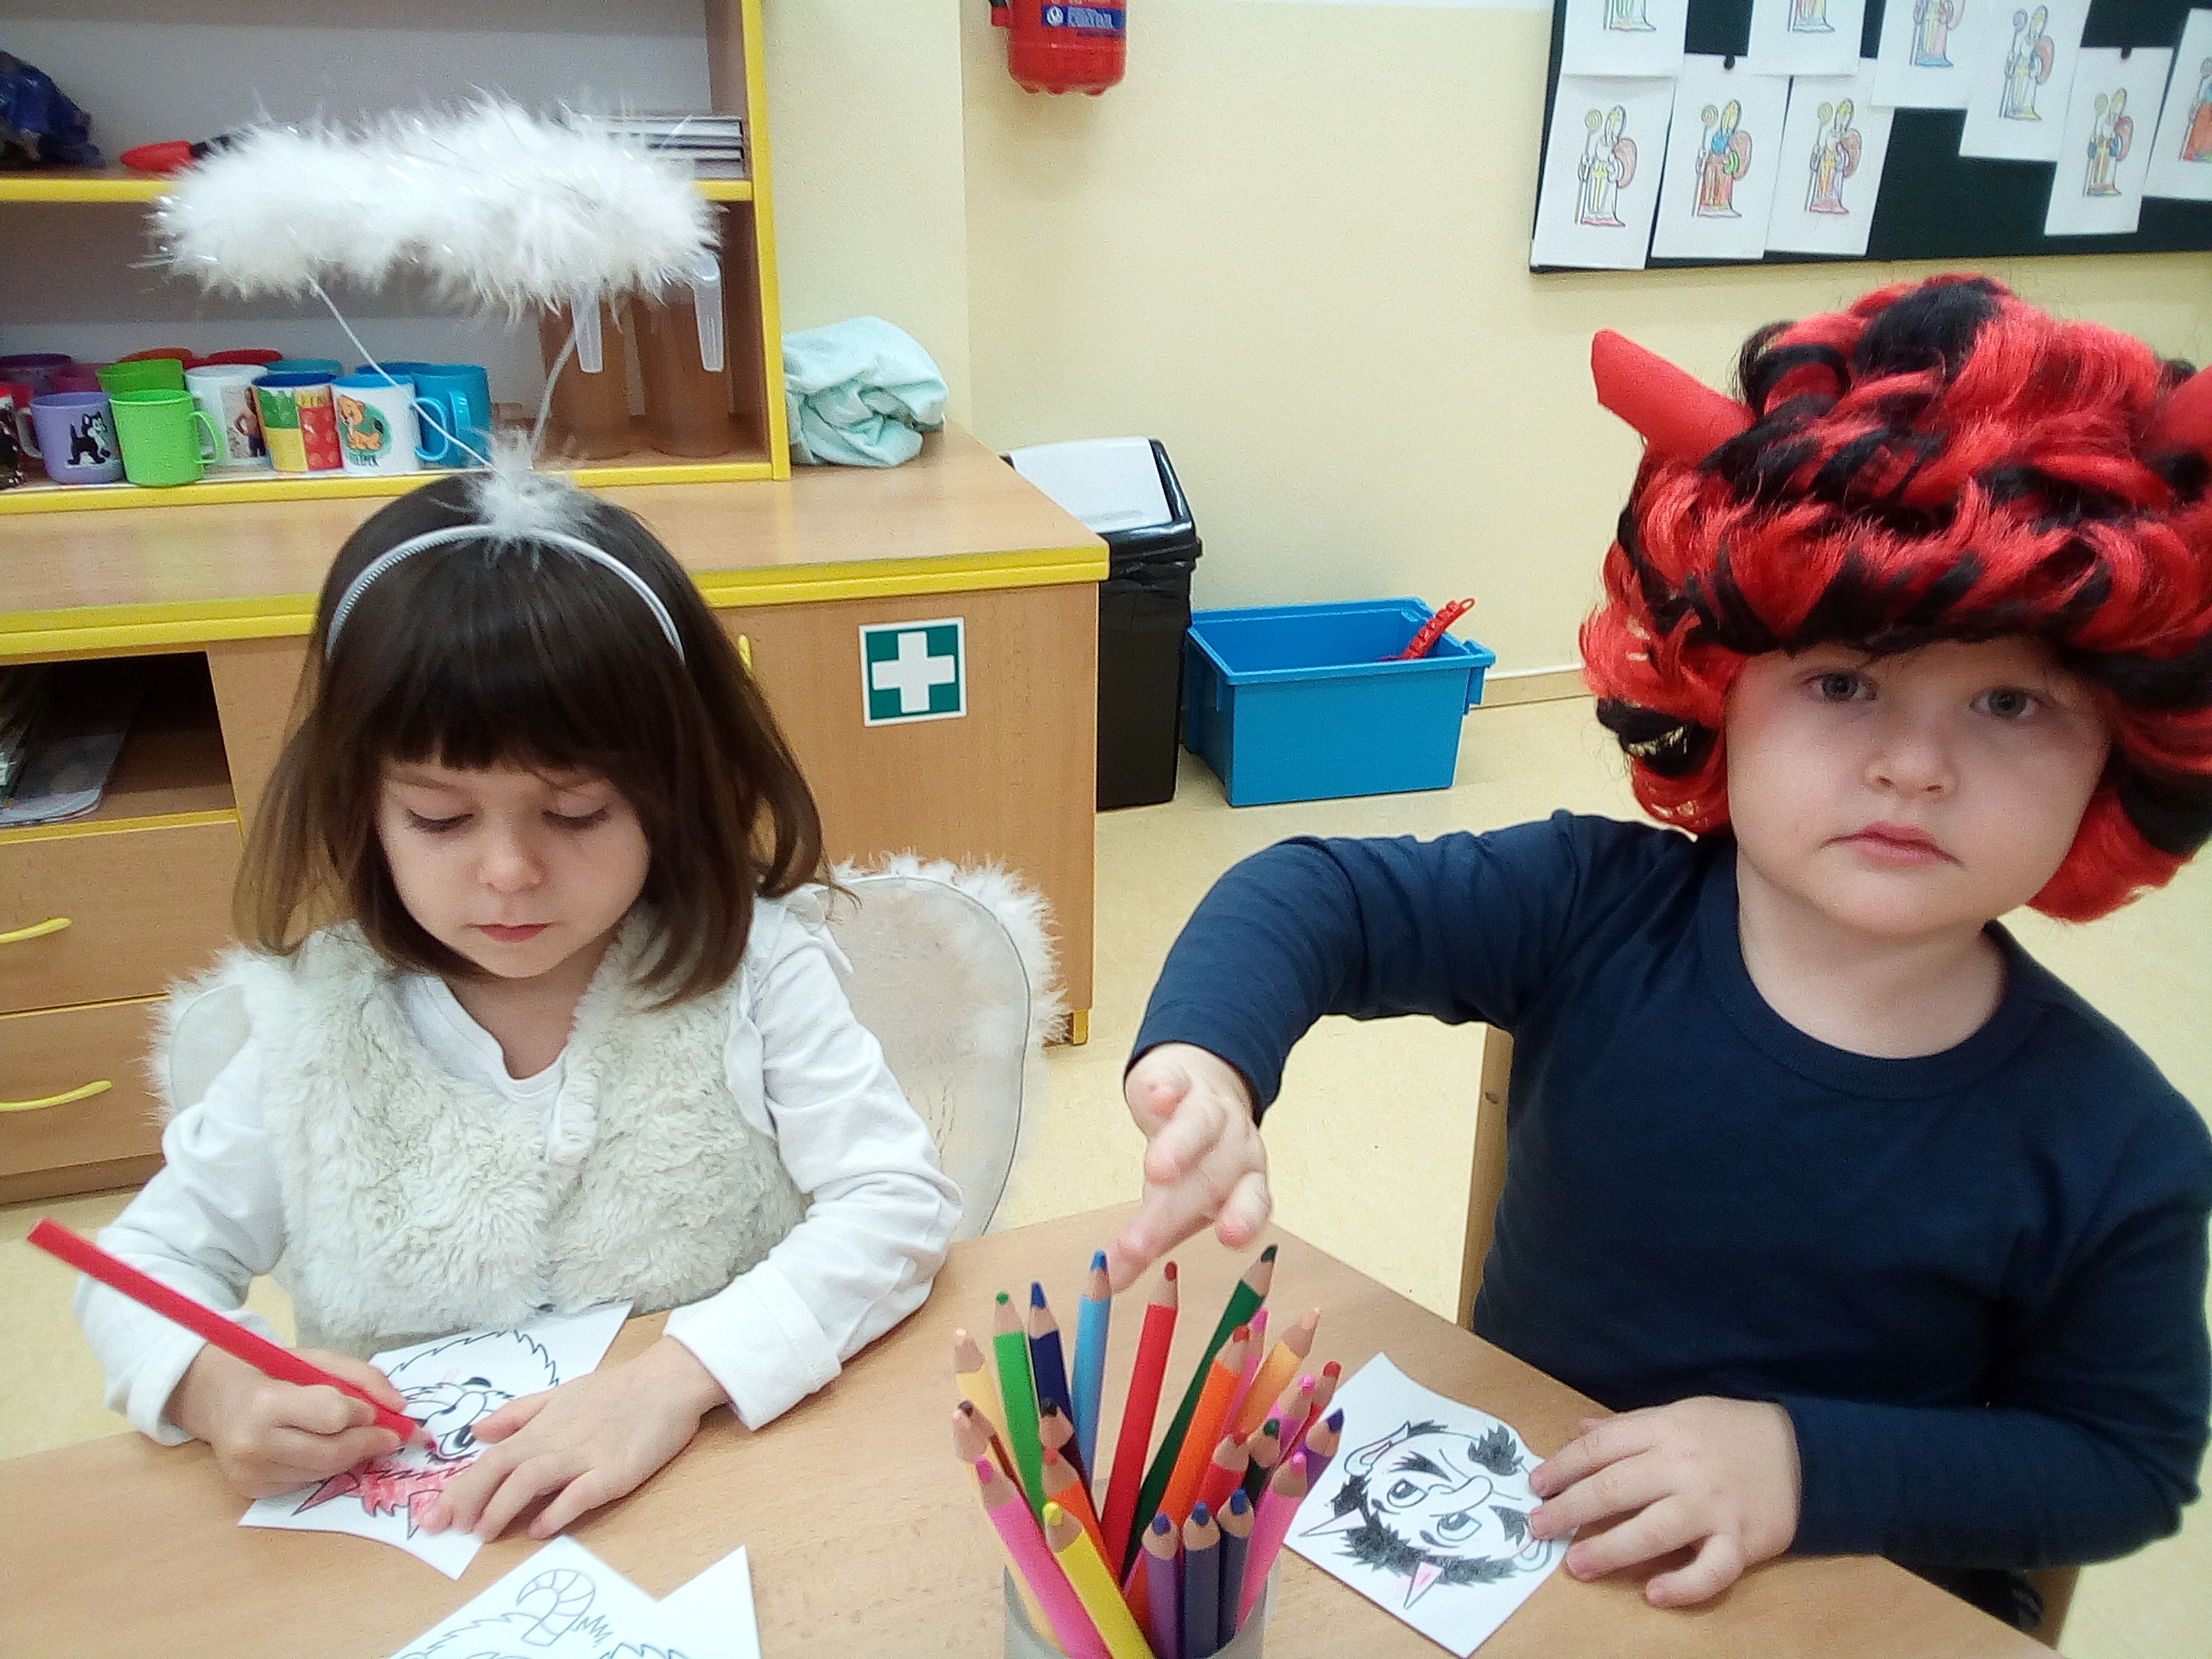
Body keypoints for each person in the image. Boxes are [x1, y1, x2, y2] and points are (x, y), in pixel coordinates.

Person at [1106, 276, 2212, 1630]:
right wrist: (1209, 1063)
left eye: (2009, 703)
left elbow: (2121, 1465)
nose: (1915, 765)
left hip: (1838, 1608)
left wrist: (1804, 1467)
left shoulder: (2119, 1146)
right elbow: (1313, 896)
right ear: (1716, 688)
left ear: (2124, 746)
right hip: (1518, 1558)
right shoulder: (1589, 905)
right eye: (1843, 681)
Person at [73, 462, 961, 1542]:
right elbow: (135, 1269)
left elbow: (895, 1205)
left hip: (713, 1497)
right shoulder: (315, 1023)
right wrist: (216, 1388)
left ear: (672, 795)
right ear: (363, 808)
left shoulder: (755, 970)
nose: (508, 872)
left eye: (577, 813)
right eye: (439, 819)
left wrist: (672, 1381)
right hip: (421, 1544)